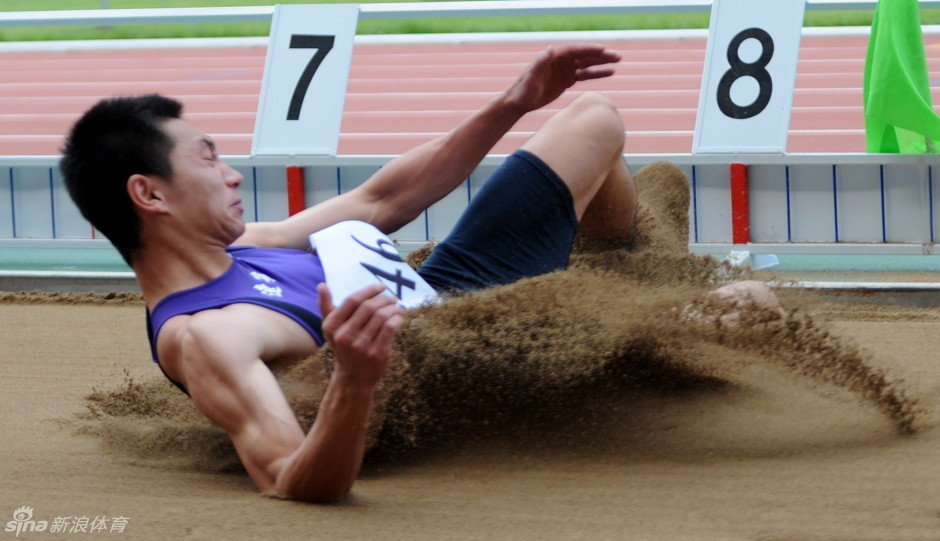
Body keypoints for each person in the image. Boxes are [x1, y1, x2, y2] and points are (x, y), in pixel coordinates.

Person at [60, 43, 646, 502]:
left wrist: (512, 104)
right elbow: (292, 479)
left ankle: (633, 260)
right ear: (149, 194)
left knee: (593, 118)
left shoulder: (250, 245)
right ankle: (639, 291)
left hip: (438, 295)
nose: (232, 175)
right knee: (736, 303)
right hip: (465, 355)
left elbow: (382, 199)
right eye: (208, 159)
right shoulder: (207, 335)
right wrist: (357, 380)